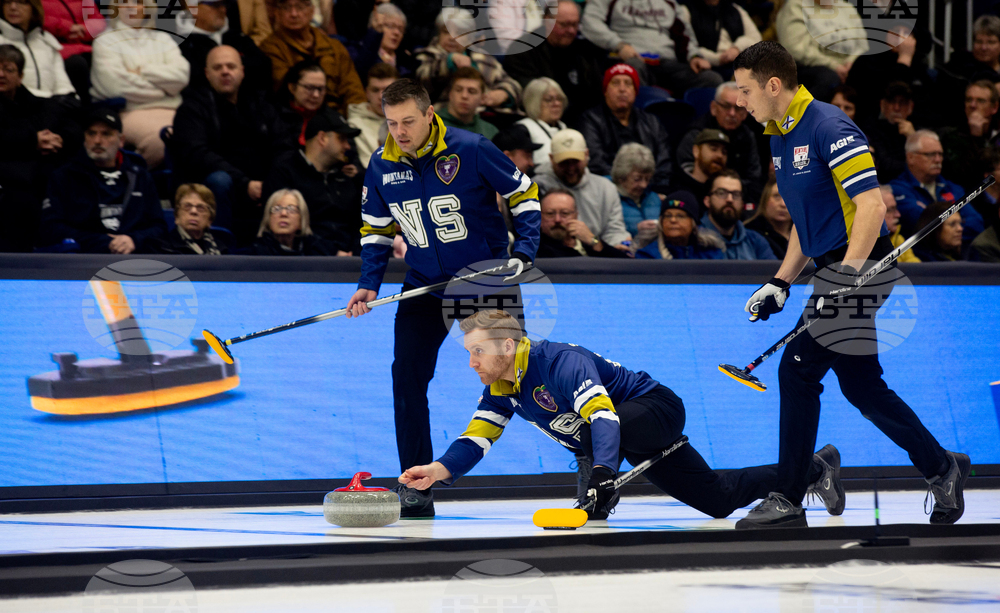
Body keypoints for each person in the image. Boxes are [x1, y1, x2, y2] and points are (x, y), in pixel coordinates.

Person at [732, 41, 969, 528]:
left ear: (773, 85)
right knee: (863, 387)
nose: (740, 101)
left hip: (862, 267)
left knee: (796, 370)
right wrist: (780, 280)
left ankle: (789, 494)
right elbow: (806, 219)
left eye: (745, 89)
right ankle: (941, 467)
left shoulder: (830, 126)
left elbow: (873, 206)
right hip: (833, 266)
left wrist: (845, 276)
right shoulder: (779, 134)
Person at [398, 310, 844, 524]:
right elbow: (477, 439)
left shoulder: (559, 363)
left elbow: (605, 420)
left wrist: (602, 476)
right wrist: (437, 471)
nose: (472, 361)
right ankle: (814, 469)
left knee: (595, 435)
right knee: (718, 500)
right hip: (625, 438)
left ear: (508, 346)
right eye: (468, 353)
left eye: (478, 351)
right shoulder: (500, 388)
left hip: (657, 410)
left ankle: (598, 497)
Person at [343, 78, 541, 518]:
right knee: (406, 379)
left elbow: (523, 193)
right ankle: (416, 484)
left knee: (519, 379)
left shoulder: (471, 148)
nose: (401, 131)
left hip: (485, 281)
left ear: (430, 113)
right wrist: (369, 282)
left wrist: (524, 252)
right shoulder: (379, 165)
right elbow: (375, 231)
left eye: (409, 121)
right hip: (423, 285)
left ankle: (587, 456)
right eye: (392, 123)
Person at [172, 45, 283, 245]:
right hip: (218, 186)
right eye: (218, 67)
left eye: (231, 66)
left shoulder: (261, 105)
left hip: (261, 186)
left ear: (242, 72)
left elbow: (282, 146)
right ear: (207, 74)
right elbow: (198, 155)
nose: (225, 71)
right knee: (220, 180)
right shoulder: (191, 108)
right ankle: (218, 247)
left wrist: (270, 182)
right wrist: (244, 183)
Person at [41, 107, 166, 253]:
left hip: (133, 261)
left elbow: (159, 228)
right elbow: (50, 229)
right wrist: (103, 242)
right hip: (83, 260)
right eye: (91, 133)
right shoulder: (64, 177)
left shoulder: (140, 177)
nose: (97, 141)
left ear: (121, 141)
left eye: (106, 134)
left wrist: (133, 240)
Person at [89, 0, 190, 168]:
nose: (130, 7)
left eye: (137, 2)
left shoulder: (162, 38)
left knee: (198, 134)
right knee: (163, 139)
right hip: (129, 111)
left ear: (146, 7)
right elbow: (115, 86)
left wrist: (142, 71)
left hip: (173, 110)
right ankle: (137, 179)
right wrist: (163, 91)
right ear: (115, 8)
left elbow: (181, 76)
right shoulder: (104, 41)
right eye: (124, 2)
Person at [0, 43, 74, 251]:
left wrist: (59, 139)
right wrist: (32, 141)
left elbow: (70, 126)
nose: (1, 74)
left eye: (8, 69)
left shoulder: (37, 104)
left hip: (35, 181)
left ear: (21, 76)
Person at [263, 108, 363, 254]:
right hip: (307, 261)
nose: (347, 146)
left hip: (352, 260)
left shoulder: (348, 176)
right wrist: (331, 252)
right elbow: (280, 227)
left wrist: (356, 253)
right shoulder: (284, 172)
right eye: (341, 139)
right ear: (322, 138)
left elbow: (360, 224)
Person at [581, 0, 723, 94]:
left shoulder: (669, 2)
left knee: (711, 79)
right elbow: (590, 22)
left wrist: (694, 55)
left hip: (667, 62)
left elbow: (684, 34)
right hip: (632, 58)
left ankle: (701, 133)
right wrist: (618, 45)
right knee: (632, 71)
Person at [502, 0, 606, 126]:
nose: (571, 31)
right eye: (564, 25)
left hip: (584, 122)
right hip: (539, 123)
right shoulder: (522, 49)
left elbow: (595, 94)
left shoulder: (585, 51)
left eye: (575, 25)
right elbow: (530, 95)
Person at [258, 0, 364, 116]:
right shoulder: (270, 48)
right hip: (296, 118)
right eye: (286, 8)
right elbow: (285, 92)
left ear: (312, 11)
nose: (294, 14)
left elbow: (353, 90)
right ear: (277, 13)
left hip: (341, 118)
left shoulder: (334, 47)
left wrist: (353, 121)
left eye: (300, 7)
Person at [577, 63, 672, 193]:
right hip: (609, 190)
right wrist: (625, 185)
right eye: (616, 83)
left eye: (628, 84)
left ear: (635, 91)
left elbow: (664, 162)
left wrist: (651, 187)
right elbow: (596, 164)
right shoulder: (591, 120)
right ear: (605, 91)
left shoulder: (651, 122)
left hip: (649, 190)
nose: (622, 89)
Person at [533, 128, 632, 248]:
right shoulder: (535, 188)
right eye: (564, 162)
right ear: (551, 159)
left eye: (575, 161)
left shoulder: (606, 188)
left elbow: (614, 231)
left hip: (597, 256)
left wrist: (617, 244)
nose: (570, 168)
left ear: (586, 155)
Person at [414, 7, 521, 113]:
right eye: (446, 32)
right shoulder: (426, 55)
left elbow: (513, 84)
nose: (452, 38)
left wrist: (504, 93)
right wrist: (448, 61)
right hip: (445, 118)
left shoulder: (483, 58)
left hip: (490, 116)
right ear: (439, 34)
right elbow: (420, 79)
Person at [676, 81, 764, 203]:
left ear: (745, 113)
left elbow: (754, 178)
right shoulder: (696, 133)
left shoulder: (748, 136)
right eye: (726, 106)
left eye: (738, 108)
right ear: (714, 108)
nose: (732, 113)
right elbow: (684, 171)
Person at [890, 130, 983, 244]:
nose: (938, 160)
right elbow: (924, 224)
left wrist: (947, 229)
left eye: (940, 154)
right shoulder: (897, 190)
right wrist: (958, 222)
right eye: (930, 154)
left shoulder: (953, 188)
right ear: (910, 157)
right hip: (919, 257)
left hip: (956, 256)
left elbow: (977, 223)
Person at [177, 0, 272, 93]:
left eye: (224, 4)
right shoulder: (180, 46)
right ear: (193, 9)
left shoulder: (239, 38)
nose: (222, 10)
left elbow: (264, 69)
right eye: (214, 5)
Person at [0, 0, 75, 100]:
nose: (13, 7)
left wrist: (65, 98)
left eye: (21, 2)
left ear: (34, 8)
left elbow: (62, 83)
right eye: (8, 1)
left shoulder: (47, 41)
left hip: (52, 106)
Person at [699, 169, 775, 260]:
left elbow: (773, 273)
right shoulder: (693, 238)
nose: (730, 199)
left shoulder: (755, 241)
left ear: (742, 203)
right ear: (707, 201)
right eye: (721, 193)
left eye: (736, 194)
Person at [939, 81, 1000, 193]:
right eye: (968, 100)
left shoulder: (997, 137)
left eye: (980, 101)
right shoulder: (950, 136)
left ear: (994, 107)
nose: (972, 105)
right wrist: (976, 138)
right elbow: (965, 177)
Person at [41, 0, 105, 104]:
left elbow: (97, 20)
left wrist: (83, 29)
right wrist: (66, 27)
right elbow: (38, 18)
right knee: (77, 64)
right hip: (54, 46)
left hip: (84, 44)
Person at [536, 188, 628, 258]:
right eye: (550, 213)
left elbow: (628, 266)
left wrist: (594, 241)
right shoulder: (535, 248)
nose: (557, 219)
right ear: (540, 216)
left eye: (565, 213)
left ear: (576, 215)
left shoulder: (587, 242)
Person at [636, 191, 725, 259]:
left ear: (693, 223)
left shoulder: (711, 255)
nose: (673, 220)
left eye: (680, 216)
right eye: (668, 215)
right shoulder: (647, 256)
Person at [248, 188, 338, 255]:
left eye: (291, 209)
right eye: (277, 209)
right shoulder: (254, 253)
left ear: (301, 220)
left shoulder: (317, 250)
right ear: (268, 219)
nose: (283, 213)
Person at [686, 0, 761, 79]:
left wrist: (736, 48)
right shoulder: (687, 10)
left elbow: (756, 37)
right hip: (710, 65)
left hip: (739, 60)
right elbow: (688, 46)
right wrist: (718, 59)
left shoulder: (735, 9)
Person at [150, 183, 231, 255]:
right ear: (176, 216)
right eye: (187, 206)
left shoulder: (221, 249)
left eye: (201, 208)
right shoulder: (160, 247)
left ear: (210, 220)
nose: (193, 211)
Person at [864, 81, 917, 183]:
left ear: (910, 107)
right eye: (892, 102)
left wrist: (913, 138)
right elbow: (886, 166)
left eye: (902, 102)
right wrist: (918, 166)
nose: (896, 108)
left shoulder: (918, 130)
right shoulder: (871, 130)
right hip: (887, 185)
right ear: (882, 105)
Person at [348, 62, 398, 168]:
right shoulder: (355, 126)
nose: (381, 96)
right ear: (367, 93)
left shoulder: (413, 121)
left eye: (387, 90)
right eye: (375, 90)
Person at [349, 3, 415, 80]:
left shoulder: (406, 61)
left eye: (401, 29)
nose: (396, 33)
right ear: (375, 25)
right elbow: (360, 74)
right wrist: (374, 34)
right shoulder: (356, 51)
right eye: (390, 26)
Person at [514, 77, 568, 167]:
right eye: (549, 100)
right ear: (534, 102)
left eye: (559, 99)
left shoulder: (563, 127)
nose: (557, 104)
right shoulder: (522, 129)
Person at [611, 143, 660, 241]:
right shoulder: (607, 195)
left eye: (647, 179)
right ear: (622, 176)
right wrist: (636, 229)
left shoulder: (654, 198)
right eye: (637, 179)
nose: (644, 185)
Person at [435, 67, 499, 140]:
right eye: (458, 90)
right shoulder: (431, 125)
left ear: (482, 98)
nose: (464, 96)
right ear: (450, 94)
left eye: (472, 91)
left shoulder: (490, 132)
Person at [673, 128, 729, 207]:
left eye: (724, 152)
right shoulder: (676, 187)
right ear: (696, 151)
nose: (720, 155)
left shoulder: (726, 194)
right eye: (714, 149)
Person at [745, 179, 791, 259]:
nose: (783, 204)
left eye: (789, 197)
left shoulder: (805, 233)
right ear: (764, 200)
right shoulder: (750, 234)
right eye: (777, 196)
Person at [880, 185, 919, 264]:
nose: (898, 215)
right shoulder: (863, 245)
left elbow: (916, 268)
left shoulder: (898, 238)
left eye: (896, 208)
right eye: (890, 210)